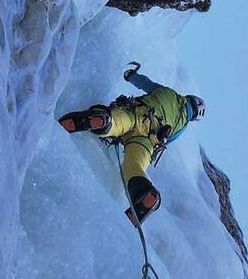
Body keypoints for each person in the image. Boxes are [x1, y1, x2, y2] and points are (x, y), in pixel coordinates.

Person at [58, 62, 206, 225]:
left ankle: (104, 121)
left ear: (188, 98)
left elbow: (146, 83)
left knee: (118, 122)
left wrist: (131, 76)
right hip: (149, 140)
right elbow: (168, 139)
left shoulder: (168, 93)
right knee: (134, 165)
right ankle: (144, 192)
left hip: (139, 114)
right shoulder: (182, 125)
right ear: (194, 116)